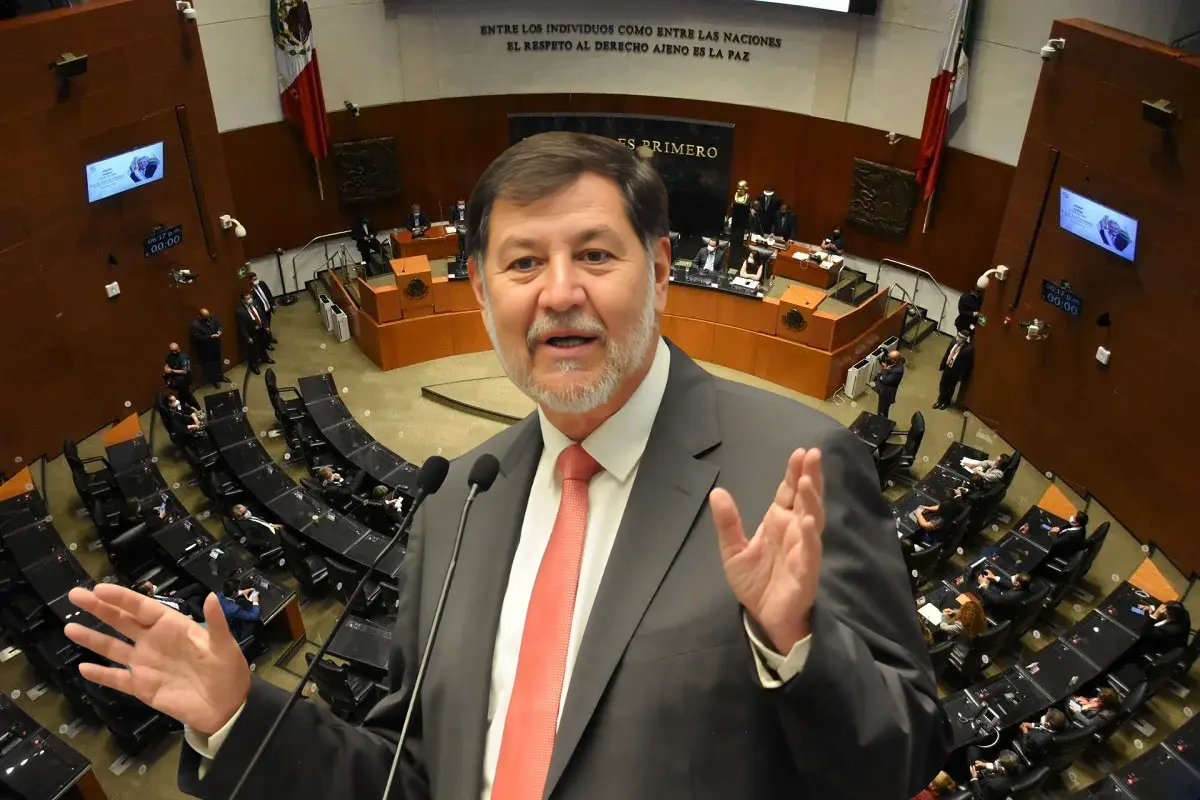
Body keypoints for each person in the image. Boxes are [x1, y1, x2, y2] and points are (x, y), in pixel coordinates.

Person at [63, 131, 945, 800]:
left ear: (664, 270)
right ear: (483, 293)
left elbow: (903, 751)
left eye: (595, 254)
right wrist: (238, 717)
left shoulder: (791, 468)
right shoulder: (457, 502)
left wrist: (795, 648)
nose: (560, 291)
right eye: (524, 263)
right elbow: (412, 772)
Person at [190, 309, 231, 389]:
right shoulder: (195, 325)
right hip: (206, 349)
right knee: (211, 365)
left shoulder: (211, 316)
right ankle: (215, 380)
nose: (208, 319)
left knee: (218, 361)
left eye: (208, 317)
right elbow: (199, 338)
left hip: (216, 345)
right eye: (206, 318)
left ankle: (220, 376)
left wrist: (219, 331)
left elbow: (218, 325)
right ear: (200, 316)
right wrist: (211, 337)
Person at [935, 328, 974, 410]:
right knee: (942, 385)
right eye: (958, 335)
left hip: (955, 371)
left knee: (950, 387)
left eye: (960, 337)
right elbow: (947, 353)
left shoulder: (968, 349)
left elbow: (966, 364)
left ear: (964, 339)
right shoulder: (953, 342)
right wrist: (942, 365)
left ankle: (946, 402)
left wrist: (961, 376)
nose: (957, 338)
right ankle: (940, 400)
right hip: (947, 367)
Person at [235, 290, 272, 375]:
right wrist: (247, 337)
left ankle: (265, 358)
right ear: (242, 300)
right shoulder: (240, 311)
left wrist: (266, 326)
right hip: (252, 332)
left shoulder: (255, 302)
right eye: (247, 299)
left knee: (263, 344)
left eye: (250, 297)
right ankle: (254, 365)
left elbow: (262, 315)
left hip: (261, 328)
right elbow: (241, 326)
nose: (249, 300)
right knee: (253, 350)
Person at [137, 581, 208, 622]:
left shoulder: (150, 596)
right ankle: (206, 620)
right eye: (152, 587)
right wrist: (183, 618)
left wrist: (167, 594)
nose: (154, 586)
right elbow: (166, 617)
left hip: (171, 598)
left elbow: (160, 598)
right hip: (179, 609)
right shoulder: (152, 607)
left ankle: (210, 589)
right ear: (148, 593)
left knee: (195, 587)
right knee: (193, 601)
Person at [162, 343, 199, 410]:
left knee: (187, 395)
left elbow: (185, 371)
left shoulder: (184, 357)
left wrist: (172, 371)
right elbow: (167, 362)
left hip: (184, 378)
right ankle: (183, 404)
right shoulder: (169, 355)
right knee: (181, 394)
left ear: (179, 349)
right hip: (175, 378)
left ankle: (198, 409)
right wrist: (166, 368)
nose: (173, 352)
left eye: (175, 350)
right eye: (172, 351)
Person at [873, 351, 905, 419]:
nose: (888, 360)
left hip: (887, 393)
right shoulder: (895, 364)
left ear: (895, 360)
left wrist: (885, 369)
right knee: (881, 408)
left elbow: (886, 380)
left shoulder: (898, 371)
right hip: (884, 391)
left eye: (890, 359)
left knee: (883, 411)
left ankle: (883, 424)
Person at [248, 274, 276, 348]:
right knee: (264, 328)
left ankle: (270, 338)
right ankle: (267, 344)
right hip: (261, 312)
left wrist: (272, 304)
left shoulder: (262, 284)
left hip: (268, 308)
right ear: (250, 281)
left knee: (268, 324)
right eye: (254, 279)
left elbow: (268, 294)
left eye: (256, 278)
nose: (256, 280)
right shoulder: (250, 290)